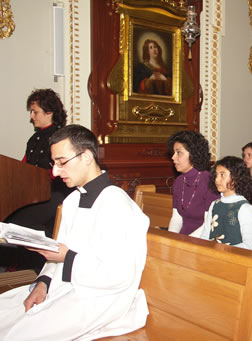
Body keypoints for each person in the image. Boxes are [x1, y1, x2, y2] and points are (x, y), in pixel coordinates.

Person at [0, 124, 149, 340]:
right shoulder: (72, 201)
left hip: (99, 299)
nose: (55, 172)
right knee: (6, 312)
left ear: (86, 156)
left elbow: (119, 276)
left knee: (17, 334)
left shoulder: (117, 205)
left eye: (61, 162)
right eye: (54, 163)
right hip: (64, 287)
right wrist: (43, 283)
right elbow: (57, 255)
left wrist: (66, 257)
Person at [1, 89, 72, 272]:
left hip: (55, 194)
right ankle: (26, 265)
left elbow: (61, 170)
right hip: (34, 194)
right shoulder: (33, 139)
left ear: (49, 112)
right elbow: (24, 167)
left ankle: (34, 267)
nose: (32, 117)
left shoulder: (62, 136)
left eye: (35, 112)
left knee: (16, 223)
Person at [168, 130, 219, 236]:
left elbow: (208, 224)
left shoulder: (209, 181)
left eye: (179, 153)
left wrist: (186, 242)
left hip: (203, 238)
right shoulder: (179, 181)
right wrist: (171, 238)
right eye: (173, 153)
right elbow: (177, 218)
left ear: (194, 154)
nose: (173, 157)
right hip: (183, 237)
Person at [200, 156, 252, 251]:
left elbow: (251, 244)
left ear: (236, 178)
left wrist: (225, 250)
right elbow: (205, 235)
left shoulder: (244, 208)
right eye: (216, 175)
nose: (217, 180)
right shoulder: (214, 205)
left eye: (222, 175)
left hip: (234, 259)